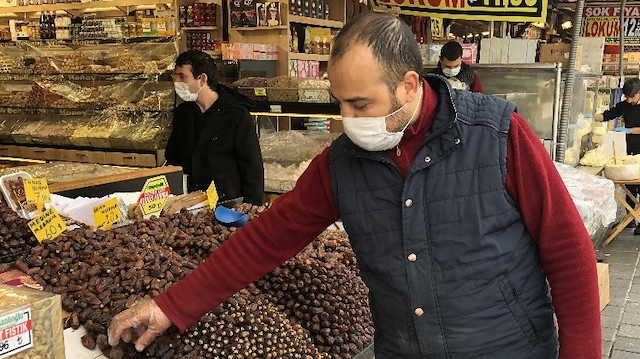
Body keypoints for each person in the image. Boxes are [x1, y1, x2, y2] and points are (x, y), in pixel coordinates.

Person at [109, 13, 601, 359]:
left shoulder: (497, 135)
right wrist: (173, 305)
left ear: (409, 86)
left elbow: (568, 252)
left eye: (360, 104)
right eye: (338, 102)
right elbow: (265, 240)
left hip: (507, 348)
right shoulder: (340, 164)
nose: (346, 119)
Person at [165, 50, 264, 205]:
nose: (176, 81)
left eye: (182, 76)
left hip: (227, 204)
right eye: (175, 76)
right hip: (190, 203)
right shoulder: (183, 114)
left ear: (202, 79)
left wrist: (251, 208)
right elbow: (173, 157)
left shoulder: (236, 114)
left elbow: (252, 167)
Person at [596, 78, 640, 234]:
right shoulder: (625, 105)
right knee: (630, 186)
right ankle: (630, 218)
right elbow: (610, 114)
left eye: (632, 97)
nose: (629, 100)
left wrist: (629, 130)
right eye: (627, 97)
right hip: (629, 150)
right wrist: (590, 118)